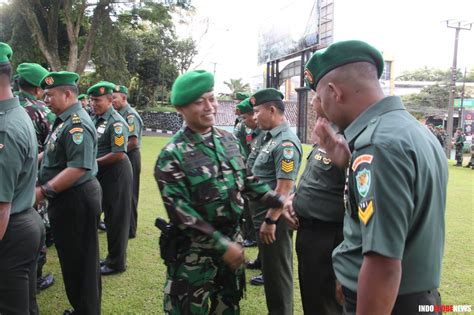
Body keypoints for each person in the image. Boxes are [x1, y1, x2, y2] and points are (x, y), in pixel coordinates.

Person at [305, 40, 448, 314]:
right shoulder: (412, 131)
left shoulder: (378, 146)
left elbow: (382, 264)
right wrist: (347, 163)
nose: (320, 107)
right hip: (416, 296)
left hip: (392, 302)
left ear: (334, 92)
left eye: (321, 98)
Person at [154, 70, 284, 314]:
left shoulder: (228, 141)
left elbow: (248, 180)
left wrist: (278, 200)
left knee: (228, 307)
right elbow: (182, 215)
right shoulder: (172, 155)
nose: (208, 107)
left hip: (232, 248)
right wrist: (222, 245)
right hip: (194, 257)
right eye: (198, 101)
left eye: (211, 98)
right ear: (181, 108)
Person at [36, 71, 102, 315]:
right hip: (68, 198)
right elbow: (54, 151)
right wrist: (34, 159)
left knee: (81, 261)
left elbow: (78, 167)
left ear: (67, 94)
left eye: (50, 95)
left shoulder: (77, 124)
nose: (46, 100)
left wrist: (43, 191)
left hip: (76, 199)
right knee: (73, 259)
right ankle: (82, 308)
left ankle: (86, 310)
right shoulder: (64, 120)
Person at [282, 95, 345, 314]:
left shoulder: (347, 137)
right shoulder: (326, 132)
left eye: (317, 96)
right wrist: (293, 199)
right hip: (309, 235)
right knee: (313, 301)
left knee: (327, 305)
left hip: (330, 238)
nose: (311, 102)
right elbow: (313, 179)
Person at [0, 42, 44, 315]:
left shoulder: (4, 128)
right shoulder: (17, 113)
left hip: (11, 230)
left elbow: (1, 207)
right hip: (25, 221)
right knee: (25, 304)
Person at [249, 88, 302, 315]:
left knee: (278, 276)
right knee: (271, 274)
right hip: (265, 218)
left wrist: (270, 220)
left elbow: (284, 187)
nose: (254, 117)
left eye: (256, 111)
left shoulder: (286, 143)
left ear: (272, 110)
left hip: (274, 221)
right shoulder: (269, 138)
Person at [15, 62, 56, 291]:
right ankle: (35, 277)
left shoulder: (6, 104)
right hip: (33, 179)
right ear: (39, 89)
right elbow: (53, 145)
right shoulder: (42, 111)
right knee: (36, 227)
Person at [89, 81, 132, 276]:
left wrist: (92, 163)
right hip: (102, 172)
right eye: (91, 100)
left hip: (116, 173)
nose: (92, 103)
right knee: (107, 214)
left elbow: (119, 153)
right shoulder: (96, 118)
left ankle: (116, 263)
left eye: (97, 100)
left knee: (116, 219)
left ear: (109, 100)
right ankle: (110, 258)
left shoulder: (116, 122)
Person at [112, 84, 143, 239]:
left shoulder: (130, 115)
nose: (112, 101)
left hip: (130, 156)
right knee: (121, 194)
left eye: (114, 97)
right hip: (124, 156)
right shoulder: (120, 113)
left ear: (124, 97)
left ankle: (130, 229)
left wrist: (117, 153)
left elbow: (133, 141)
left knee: (130, 194)